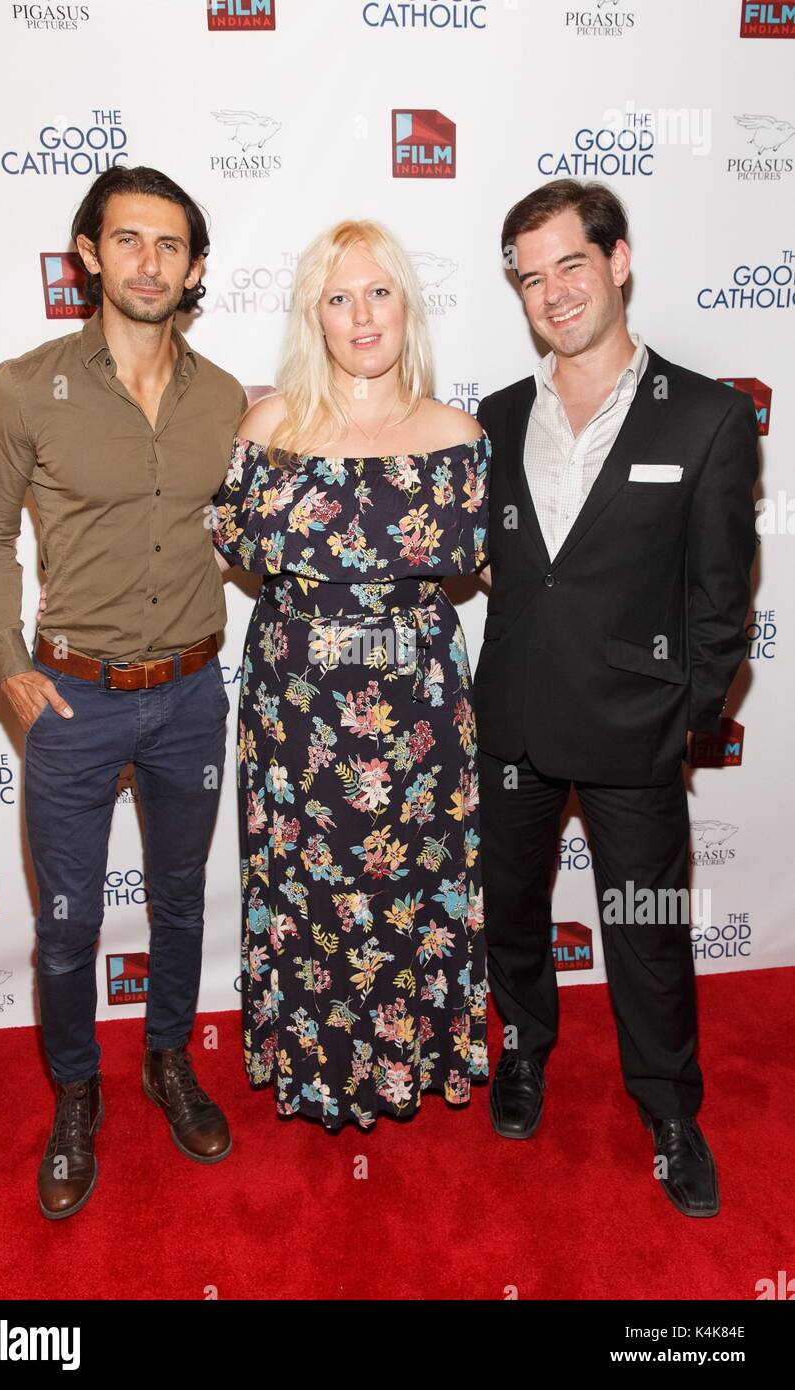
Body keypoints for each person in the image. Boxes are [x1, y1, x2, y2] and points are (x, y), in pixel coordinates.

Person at [0, 165, 246, 1219]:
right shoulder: (26, 387)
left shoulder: (225, 399)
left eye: (169, 245)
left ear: (194, 267)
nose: (147, 261)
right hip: (72, 700)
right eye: (126, 240)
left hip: (194, 693)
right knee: (69, 925)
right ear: (88, 253)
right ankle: (75, 1096)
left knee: (178, 904)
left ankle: (167, 1061)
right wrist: (4, 659)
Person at [474, 179, 757, 1217]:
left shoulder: (709, 417)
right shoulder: (497, 418)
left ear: (618, 260)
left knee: (643, 928)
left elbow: (720, 605)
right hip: (507, 721)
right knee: (508, 912)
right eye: (529, 275)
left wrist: (681, 722)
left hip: (633, 728)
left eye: (569, 265)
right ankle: (521, 1049)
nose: (551, 293)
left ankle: (668, 1109)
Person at [211, 220, 491, 1130]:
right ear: (314, 318)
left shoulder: (458, 436)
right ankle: (316, 1066)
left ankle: (413, 1060)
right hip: (297, 710)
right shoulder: (269, 428)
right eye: (340, 298)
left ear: (406, 305)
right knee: (307, 891)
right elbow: (227, 548)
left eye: (379, 292)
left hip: (421, 711)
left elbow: (497, 570)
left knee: (416, 881)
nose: (362, 315)